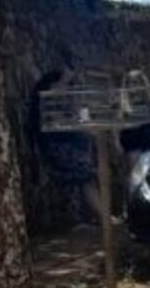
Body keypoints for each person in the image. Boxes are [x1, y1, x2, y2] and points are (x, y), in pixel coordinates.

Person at [30, 70, 102, 223]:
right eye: (66, 83)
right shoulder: (47, 102)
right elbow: (63, 126)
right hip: (57, 150)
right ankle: (102, 215)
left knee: (90, 169)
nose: (69, 87)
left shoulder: (60, 101)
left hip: (69, 148)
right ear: (54, 84)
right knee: (87, 175)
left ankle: (95, 215)